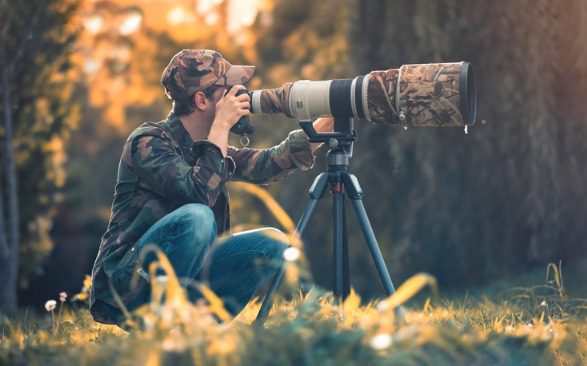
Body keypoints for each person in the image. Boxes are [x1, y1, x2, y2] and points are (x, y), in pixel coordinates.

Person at [89, 49, 333, 326]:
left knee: (272, 241)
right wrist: (222, 125)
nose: (239, 92)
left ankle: (197, 330)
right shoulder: (147, 142)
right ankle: (159, 327)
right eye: (228, 89)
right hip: (126, 286)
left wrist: (331, 120)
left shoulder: (209, 150)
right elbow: (199, 192)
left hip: (184, 278)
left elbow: (269, 163)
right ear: (201, 100)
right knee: (198, 216)